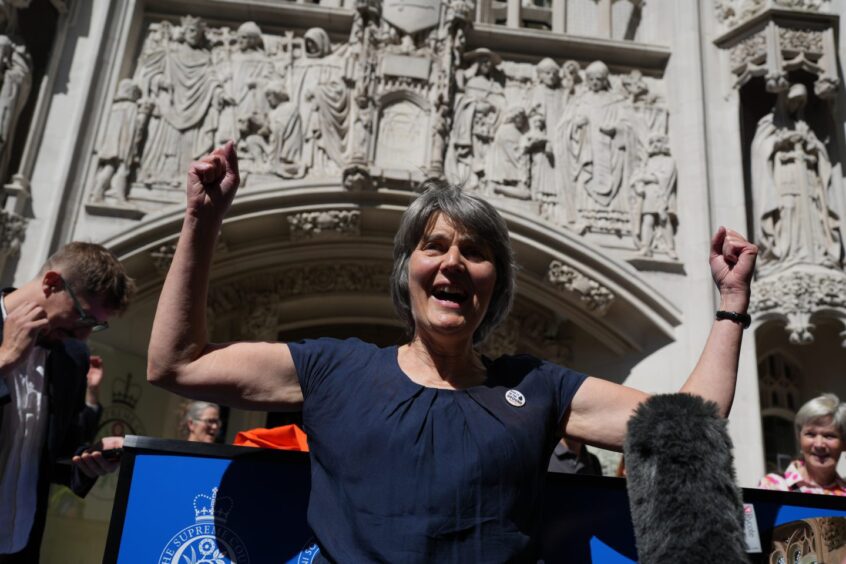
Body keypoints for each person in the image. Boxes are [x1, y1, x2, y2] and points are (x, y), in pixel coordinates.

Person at [148, 142, 757, 561]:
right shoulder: (335, 368)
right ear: (406, 269)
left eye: (475, 251)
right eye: (434, 245)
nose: (454, 263)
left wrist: (731, 303)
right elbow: (178, 363)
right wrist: (202, 220)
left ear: (496, 282)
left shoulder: (538, 388)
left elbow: (691, 422)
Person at [0, 242, 134, 562]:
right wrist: (4, 360)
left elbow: (53, 459)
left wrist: (89, 461)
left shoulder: (73, 356)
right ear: (51, 283)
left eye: (95, 325)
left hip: (20, 547)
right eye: (83, 316)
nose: (84, 335)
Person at [759, 394, 846, 495]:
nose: (819, 444)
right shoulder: (773, 486)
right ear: (799, 439)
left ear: (844, 443)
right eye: (810, 434)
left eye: (829, 436)